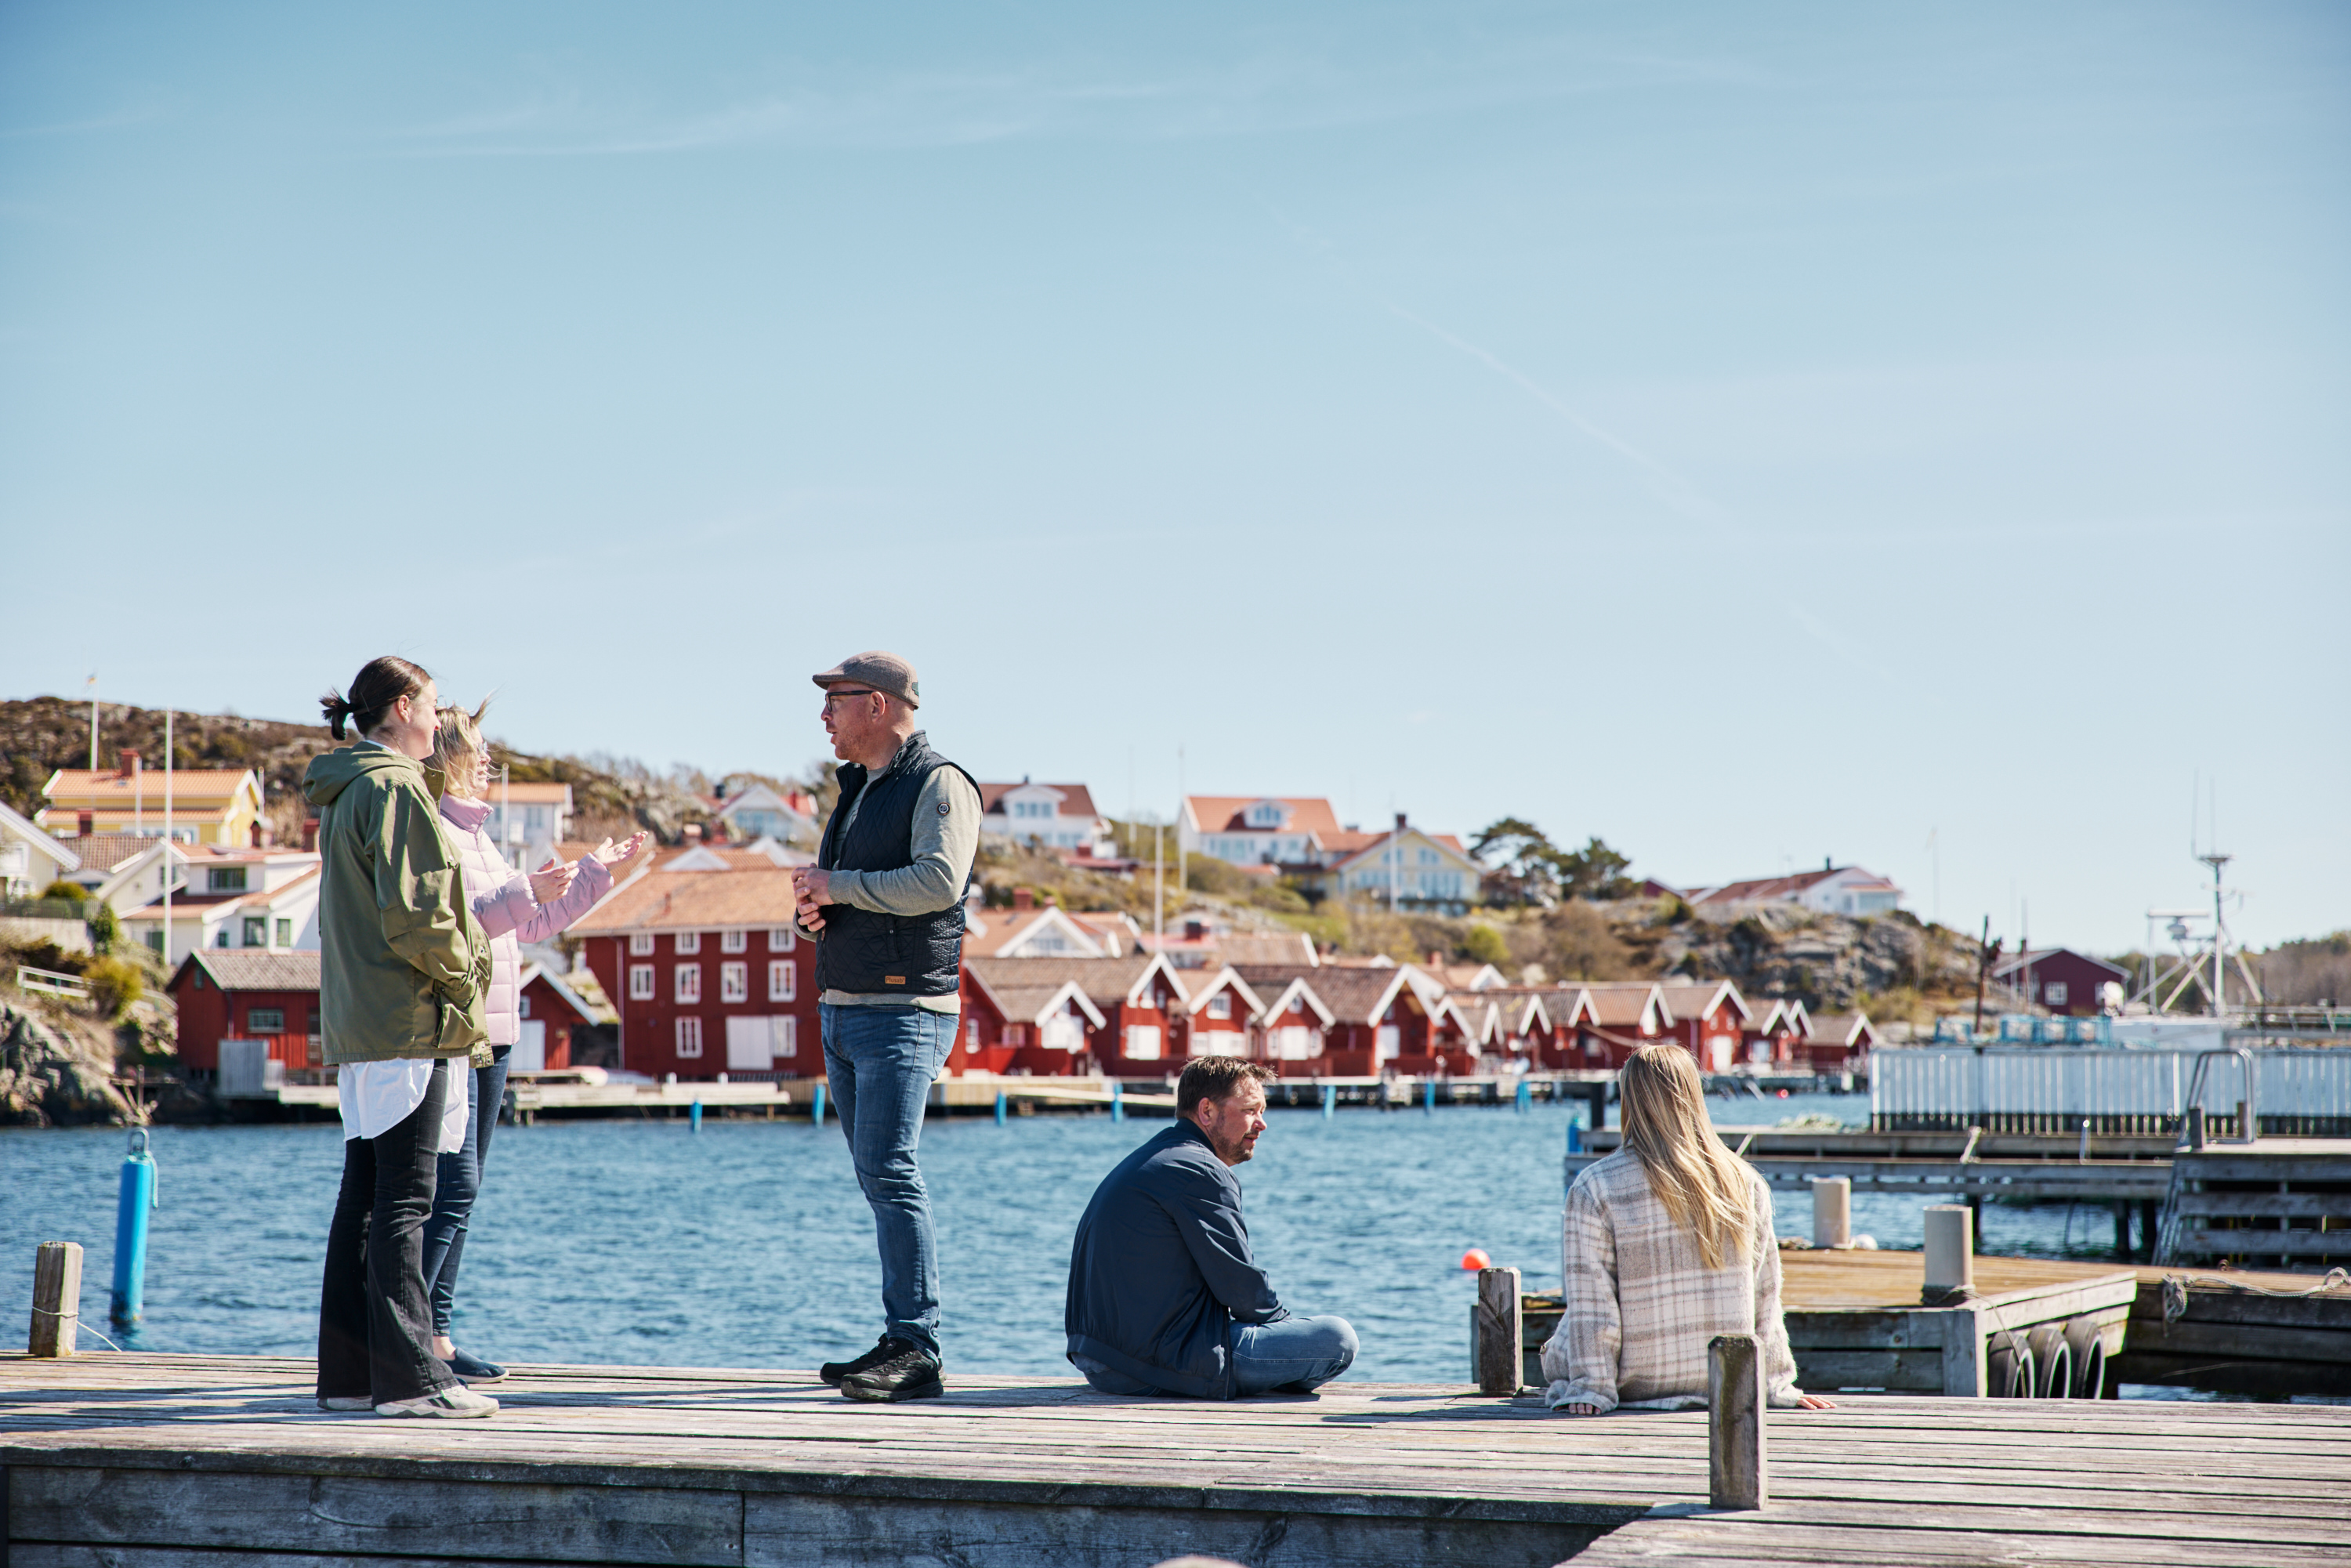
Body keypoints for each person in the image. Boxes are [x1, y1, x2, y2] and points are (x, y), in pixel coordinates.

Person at [418, 698, 647, 1382]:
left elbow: (529, 926)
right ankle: (404, 1336)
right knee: (452, 1185)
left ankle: (437, 1338)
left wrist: (591, 873)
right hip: (456, 1031)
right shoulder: (435, 831)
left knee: (465, 1191)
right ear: (448, 755)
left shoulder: (481, 837)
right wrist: (529, 887)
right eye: (478, 749)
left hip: (497, 1033)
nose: (489, 760)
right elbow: (460, 923)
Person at [306, 657, 497, 1418]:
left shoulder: (348, 788)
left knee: (365, 1194)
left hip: (364, 1022)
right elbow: (420, 916)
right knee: (407, 1199)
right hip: (408, 1020)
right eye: (435, 703)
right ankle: (414, 1381)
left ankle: (352, 1376)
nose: (441, 718)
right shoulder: (393, 787)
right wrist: (467, 977)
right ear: (406, 706)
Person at [791, 651, 982, 1403]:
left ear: (876, 703)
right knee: (878, 1175)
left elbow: (939, 882)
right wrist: (812, 914)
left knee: (891, 1171)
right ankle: (901, 1334)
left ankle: (917, 1346)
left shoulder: (940, 783)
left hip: (905, 1011)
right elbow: (848, 897)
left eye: (834, 700)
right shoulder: (857, 790)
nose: (823, 716)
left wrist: (837, 885)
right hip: (845, 1008)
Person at [1542, 1043, 1835, 1415]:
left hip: (1637, 1384)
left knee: (1562, 1342)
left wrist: (1592, 1389)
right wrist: (1776, 1384)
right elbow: (1766, 1296)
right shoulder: (1744, 1182)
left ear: (1629, 1098)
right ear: (1694, 1095)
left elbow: (1593, 1305)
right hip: (1727, 1378)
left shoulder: (1594, 1187)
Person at [1065, 1057, 1357, 1399]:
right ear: (1206, 1111)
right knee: (1336, 1339)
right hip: (1153, 1365)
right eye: (1249, 1110)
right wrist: (1285, 1330)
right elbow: (1243, 1290)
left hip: (1099, 1362)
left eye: (1262, 1111)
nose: (1262, 1124)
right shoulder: (1201, 1170)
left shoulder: (1152, 1158)